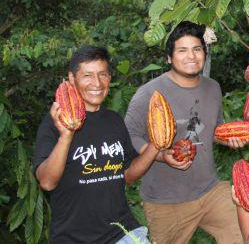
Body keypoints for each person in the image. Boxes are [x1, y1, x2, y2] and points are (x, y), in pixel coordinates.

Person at [124, 21, 246, 244]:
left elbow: (212, 129)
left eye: (197, 49)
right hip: (166, 201)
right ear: (169, 58)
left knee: (244, 232)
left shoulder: (213, 87)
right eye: (182, 50)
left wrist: (230, 138)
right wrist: (161, 155)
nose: (191, 56)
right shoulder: (149, 93)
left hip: (210, 190)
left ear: (204, 53)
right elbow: (130, 135)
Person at [33, 46, 159, 243]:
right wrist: (66, 136)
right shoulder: (54, 123)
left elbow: (127, 175)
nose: (97, 83)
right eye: (88, 75)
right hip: (72, 238)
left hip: (122, 233)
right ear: (72, 79)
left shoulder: (114, 120)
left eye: (103, 74)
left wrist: (156, 145)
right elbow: (47, 182)